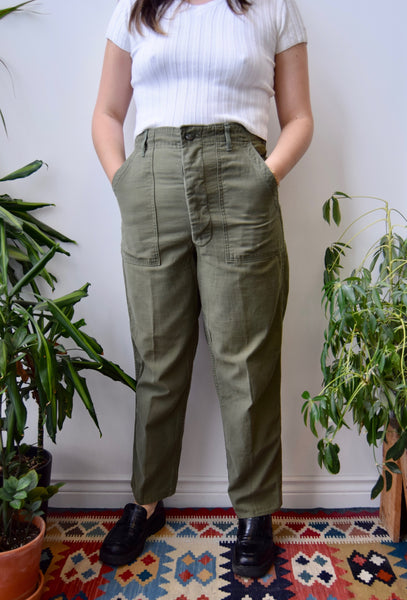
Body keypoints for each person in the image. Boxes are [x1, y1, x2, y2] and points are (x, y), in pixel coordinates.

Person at [92, 0, 313, 578]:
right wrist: (124, 182)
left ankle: (255, 512)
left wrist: (265, 177)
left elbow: (299, 117)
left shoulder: (273, 7)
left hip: (241, 181)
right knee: (157, 355)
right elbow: (108, 112)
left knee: (246, 360)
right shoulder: (135, 8)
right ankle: (146, 500)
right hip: (152, 186)